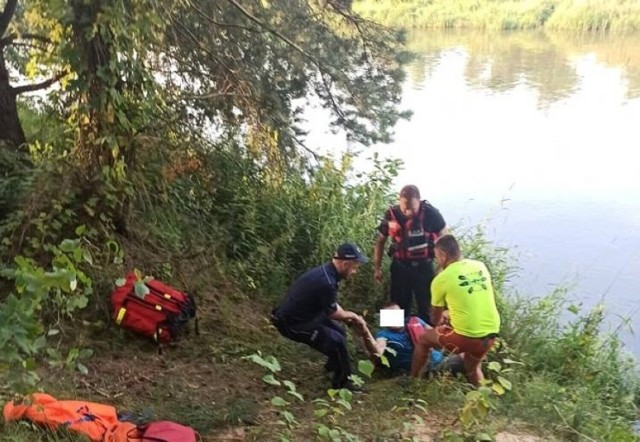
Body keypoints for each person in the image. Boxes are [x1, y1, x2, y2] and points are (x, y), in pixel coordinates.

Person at [271, 243, 369, 391]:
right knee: (337, 342)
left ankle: (333, 367)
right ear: (345, 264)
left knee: (339, 332)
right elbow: (333, 313)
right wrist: (354, 317)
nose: (355, 271)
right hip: (291, 324)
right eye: (355, 267)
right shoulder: (327, 281)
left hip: (309, 315)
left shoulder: (328, 273)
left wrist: (348, 317)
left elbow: (333, 306)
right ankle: (343, 384)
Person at [410, 234, 501, 386]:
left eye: (437, 256)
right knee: (471, 368)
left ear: (443, 255)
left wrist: (443, 318)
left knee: (424, 340)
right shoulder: (480, 266)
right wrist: (451, 314)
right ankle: (483, 399)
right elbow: (471, 300)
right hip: (491, 334)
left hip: (467, 337)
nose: (436, 260)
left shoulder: (442, 278)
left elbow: (434, 320)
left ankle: (413, 382)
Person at [373, 185, 447, 323]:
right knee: (395, 308)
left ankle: (427, 341)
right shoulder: (391, 214)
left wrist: (442, 269)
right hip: (400, 267)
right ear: (399, 201)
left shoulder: (432, 214)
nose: (408, 212)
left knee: (428, 308)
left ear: (419, 201)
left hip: (424, 267)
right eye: (404, 208)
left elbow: (446, 240)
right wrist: (376, 268)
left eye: (412, 208)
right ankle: (391, 341)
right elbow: (380, 241)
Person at [357, 303, 464, 377]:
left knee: (471, 351)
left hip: (440, 360)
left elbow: (439, 336)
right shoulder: (384, 335)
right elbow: (377, 352)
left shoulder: (415, 321)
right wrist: (364, 331)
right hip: (427, 370)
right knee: (467, 358)